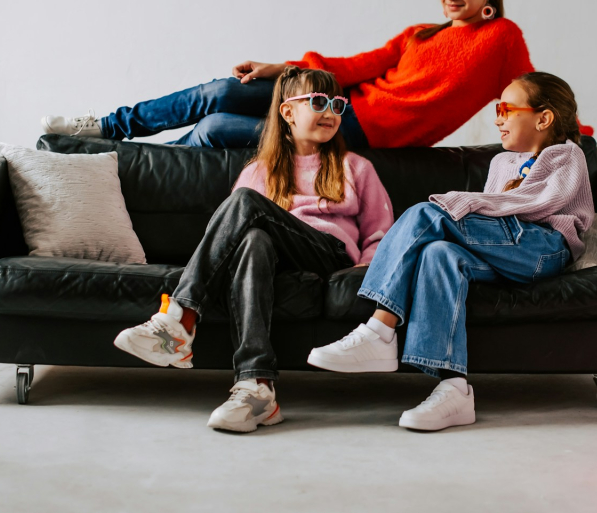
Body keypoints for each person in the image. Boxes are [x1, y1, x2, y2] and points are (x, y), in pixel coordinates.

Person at [43, 0, 540, 151]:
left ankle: (132, 165)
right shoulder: (420, 34)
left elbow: (537, 98)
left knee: (217, 127)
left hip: (354, 129)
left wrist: (577, 141)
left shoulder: (502, 38)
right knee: (221, 91)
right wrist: (281, 68)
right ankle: (108, 128)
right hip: (336, 97)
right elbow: (355, 66)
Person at [307, 72, 594, 431]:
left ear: (543, 118)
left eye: (506, 109)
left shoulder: (566, 155)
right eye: (497, 110)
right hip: (505, 249)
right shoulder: (502, 162)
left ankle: (380, 330)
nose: (498, 119)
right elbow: (492, 218)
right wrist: (472, 207)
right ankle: (454, 389)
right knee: (439, 254)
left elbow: (536, 202)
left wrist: (467, 202)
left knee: (425, 214)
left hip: (542, 247)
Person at [113, 67, 394, 433]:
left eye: (337, 105)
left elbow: (381, 234)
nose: (330, 112)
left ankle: (180, 319)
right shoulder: (260, 170)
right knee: (254, 239)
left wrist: (363, 273)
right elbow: (232, 235)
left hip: (329, 256)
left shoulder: (355, 166)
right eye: (318, 102)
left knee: (246, 203)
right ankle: (256, 388)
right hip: (274, 261)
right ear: (288, 111)